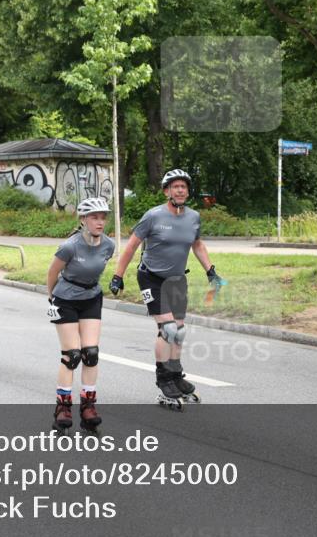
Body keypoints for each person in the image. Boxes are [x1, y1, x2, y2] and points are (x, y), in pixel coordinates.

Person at [109, 169, 223, 410]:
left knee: (179, 330)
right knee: (168, 328)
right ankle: (163, 379)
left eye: (184, 186)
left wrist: (210, 270)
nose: (180, 190)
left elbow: (198, 245)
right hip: (151, 277)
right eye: (175, 186)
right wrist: (118, 276)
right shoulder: (153, 216)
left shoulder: (193, 217)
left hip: (177, 279)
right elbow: (130, 247)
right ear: (166, 191)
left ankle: (175, 374)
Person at [47, 197, 116, 433]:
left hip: (91, 298)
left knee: (91, 353)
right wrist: (51, 298)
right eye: (94, 217)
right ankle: (63, 408)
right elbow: (52, 273)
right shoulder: (70, 246)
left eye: (103, 217)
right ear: (83, 219)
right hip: (65, 299)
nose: (100, 222)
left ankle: (88, 406)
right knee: (72, 355)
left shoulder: (109, 245)